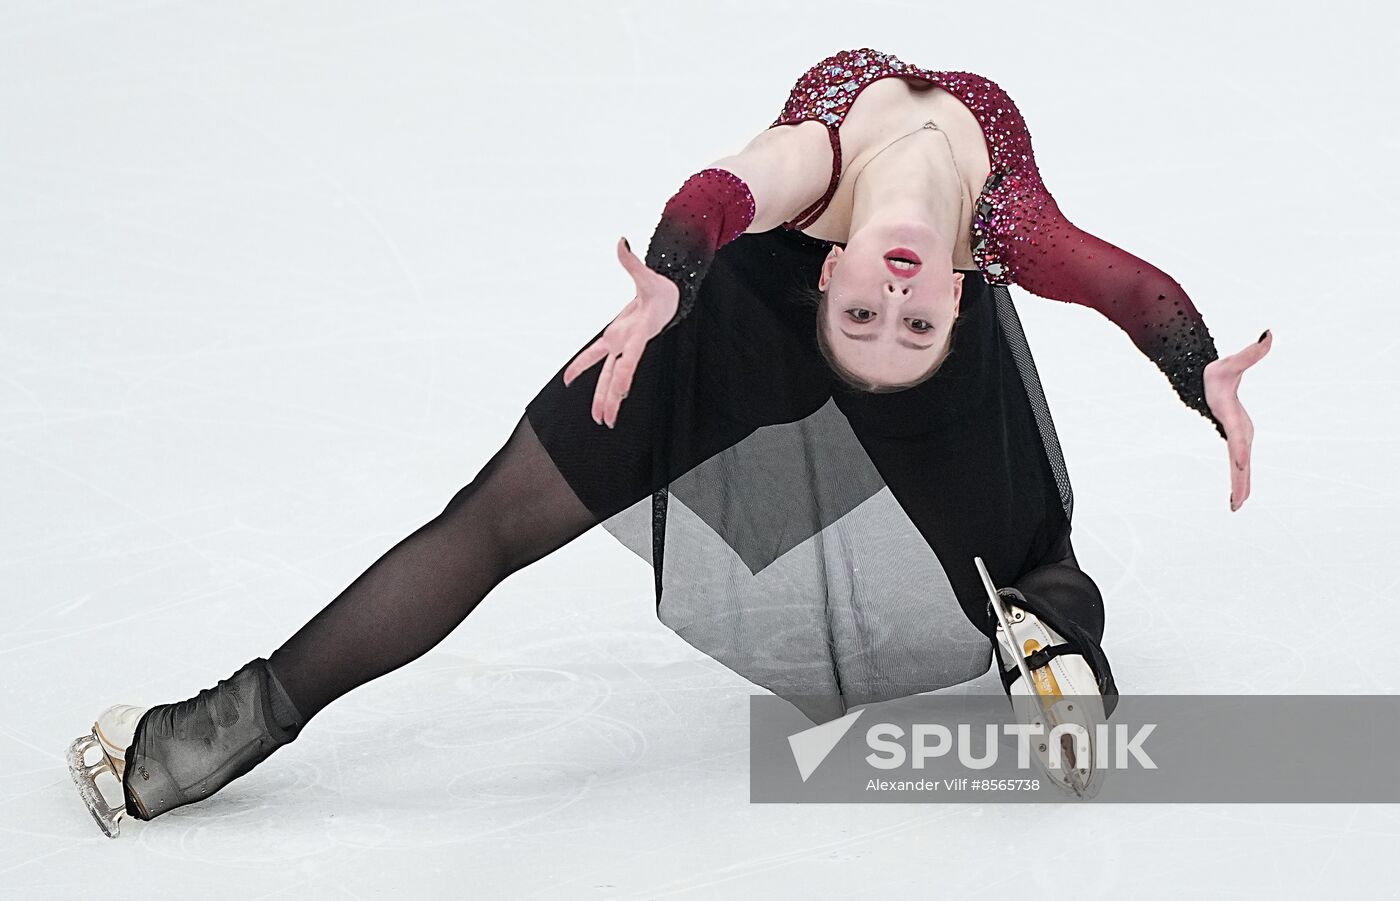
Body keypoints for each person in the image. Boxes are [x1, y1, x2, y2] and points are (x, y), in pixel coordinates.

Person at [67, 47, 1270, 834]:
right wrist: (676, 285)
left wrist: (1185, 366)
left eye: (893, 317)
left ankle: (1054, 660)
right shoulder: (991, 221)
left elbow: (726, 190)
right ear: (844, 277)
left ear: (968, 305)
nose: (897, 293)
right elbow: (738, 194)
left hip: (720, 296)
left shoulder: (906, 226)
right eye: (886, 312)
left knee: (1018, 559)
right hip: (731, 314)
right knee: (494, 517)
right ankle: (220, 727)